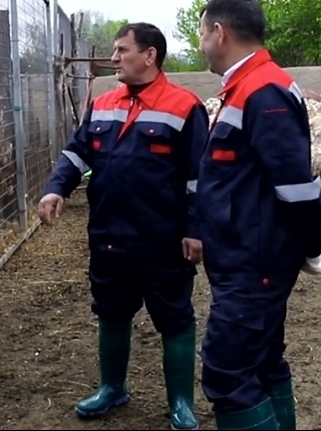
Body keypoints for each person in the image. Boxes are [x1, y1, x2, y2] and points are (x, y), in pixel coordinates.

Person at [38, 23, 208, 431]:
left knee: (174, 318)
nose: (114, 58)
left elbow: (200, 177)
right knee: (111, 312)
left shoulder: (185, 107)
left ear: (149, 56)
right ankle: (112, 387)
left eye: (122, 50)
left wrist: (196, 228)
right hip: (109, 234)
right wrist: (56, 187)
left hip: (163, 238)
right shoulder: (103, 103)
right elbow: (77, 152)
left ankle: (181, 403)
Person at [194, 0, 321, 431]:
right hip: (246, 253)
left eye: (201, 33)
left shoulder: (262, 91)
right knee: (263, 359)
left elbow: (297, 186)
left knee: (227, 372)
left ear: (219, 33)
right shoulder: (248, 87)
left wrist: (312, 245)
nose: (200, 44)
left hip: (254, 260)